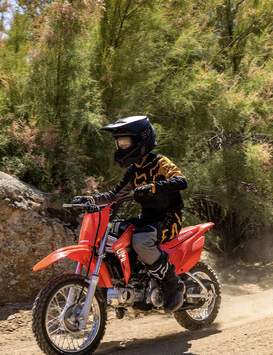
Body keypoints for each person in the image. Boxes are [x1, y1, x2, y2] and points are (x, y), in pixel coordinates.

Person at [73, 116, 187, 313]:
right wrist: (91, 199)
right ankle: (133, 283)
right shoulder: (134, 170)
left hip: (169, 219)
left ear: (140, 140)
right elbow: (114, 195)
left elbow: (181, 181)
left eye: (125, 142)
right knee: (115, 233)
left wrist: (153, 187)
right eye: (119, 143)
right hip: (148, 219)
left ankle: (173, 282)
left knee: (141, 240)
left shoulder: (160, 162)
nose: (121, 146)